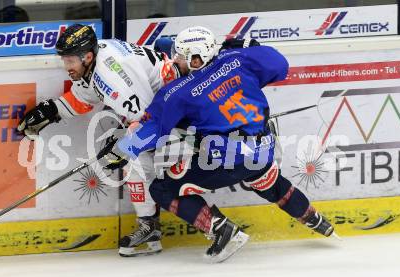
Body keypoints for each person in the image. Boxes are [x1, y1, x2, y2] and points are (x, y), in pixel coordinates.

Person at [108, 26, 336, 263]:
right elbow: (279, 65)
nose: (175, 61)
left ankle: (222, 229)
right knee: (267, 181)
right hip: (264, 149)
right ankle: (315, 219)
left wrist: (123, 149)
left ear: (196, 58)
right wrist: (245, 47)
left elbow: (153, 129)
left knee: (161, 189)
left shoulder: (178, 91)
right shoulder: (237, 59)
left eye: (180, 56)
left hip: (229, 158)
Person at [17, 24, 181, 257]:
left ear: (88, 56)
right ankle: (150, 226)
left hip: (178, 105)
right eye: (65, 60)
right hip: (157, 105)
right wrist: (51, 111)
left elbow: (148, 119)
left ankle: (159, 224)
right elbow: (84, 98)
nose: (67, 67)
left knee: (136, 159)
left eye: (70, 61)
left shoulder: (113, 77)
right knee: (131, 157)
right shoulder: (93, 64)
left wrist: (124, 143)